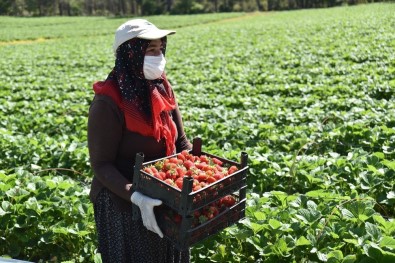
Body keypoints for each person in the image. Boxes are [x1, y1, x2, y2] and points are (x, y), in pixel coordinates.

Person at [87, 19, 192, 263]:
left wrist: (198, 172)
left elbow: (181, 143)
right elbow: (101, 165)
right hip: (122, 204)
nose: (159, 57)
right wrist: (135, 196)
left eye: (160, 49)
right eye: (150, 50)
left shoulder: (162, 89)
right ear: (130, 54)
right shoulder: (108, 102)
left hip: (167, 195)